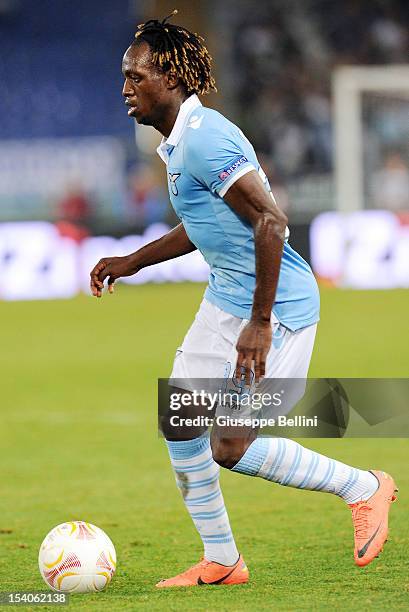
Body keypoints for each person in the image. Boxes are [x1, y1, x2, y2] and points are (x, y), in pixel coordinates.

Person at [90, 12, 397, 588]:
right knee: (181, 422)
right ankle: (223, 559)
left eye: (136, 76)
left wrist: (257, 325)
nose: (125, 87)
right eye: (124, 76)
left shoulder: (206, 140)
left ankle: (364, 487)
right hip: (228, 297)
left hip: (275, 306)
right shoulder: (179, 142)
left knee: (230, 444)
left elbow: (272, 223)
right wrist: (132, 261)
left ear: (172, 77)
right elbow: (203, 224)